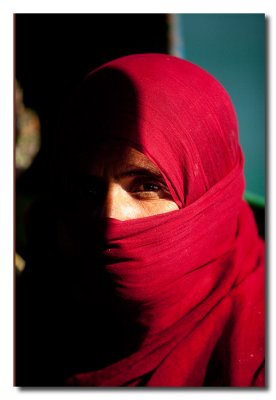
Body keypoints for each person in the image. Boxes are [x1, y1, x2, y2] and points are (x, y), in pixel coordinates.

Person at [16, 53, 265, 387]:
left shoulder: (259, 351)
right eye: (88, 189)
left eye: (148, 186)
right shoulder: (36, 308)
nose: (110, 216)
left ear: (214, 197)